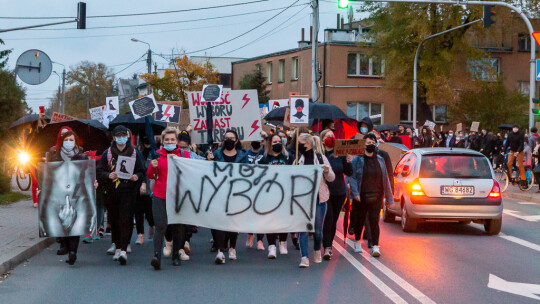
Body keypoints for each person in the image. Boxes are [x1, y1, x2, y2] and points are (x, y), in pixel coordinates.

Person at [42, 130, 97, 265]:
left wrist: (93, 183)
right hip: (59, 193)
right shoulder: (55, 157)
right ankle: (65, 245)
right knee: (62, 222)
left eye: (71, 140)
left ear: (75, 142)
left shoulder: (82, 158)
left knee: (75, 224)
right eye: (66, 140)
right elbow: (48, 175)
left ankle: (73, 252)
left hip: (76, 193)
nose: (68, 143)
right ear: (62, 142)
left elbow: (87, 175)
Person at [97, 125, 145, 266]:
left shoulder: (135, 153)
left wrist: (137, 177)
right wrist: (108, 175)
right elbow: (100, 171)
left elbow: (142, 171)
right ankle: (117, 246)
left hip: (129, 191)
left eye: (124, 135)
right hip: (112, 192)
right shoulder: (108, 153)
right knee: (115, 220)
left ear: (128, 137)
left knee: (126, 219)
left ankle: (124, 249)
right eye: (118, 135)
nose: (121, 138)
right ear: (114, 137)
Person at [147, 127, 191, 270]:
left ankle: (176, 255)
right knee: (160, 225)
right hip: (160, 194)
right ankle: (157, 256)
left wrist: (178, 162)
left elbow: (190, 173)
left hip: (178, 195)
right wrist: (153, 167)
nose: (170, 141)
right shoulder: (157, 155)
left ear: (176, 141)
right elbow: (150, 175)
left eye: (172, 139)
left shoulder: (183, 155)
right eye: (167, 140)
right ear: (163, 141)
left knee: (178, 226)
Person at [348, 133, 394, 257]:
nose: (371, 145)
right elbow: (351, 177)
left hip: (377, 195)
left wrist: (389, 197)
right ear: (363, 145)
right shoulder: (358, 159)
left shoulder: (380, 159)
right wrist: (355, 193)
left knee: (374, 221)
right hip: (361, 196)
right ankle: (357, 241)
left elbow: (385, 178)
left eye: (373, 143)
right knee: (360, 220)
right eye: (368, 143)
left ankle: (375, 246)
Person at [207, 129, 248, 264]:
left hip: (236, 193)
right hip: (219, 192)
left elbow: (248, 172)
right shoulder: (217, 154)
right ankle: (220, 251)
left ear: (236, 141)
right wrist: (209, 161)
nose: (229, 140)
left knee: (233, 222)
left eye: (232, 138)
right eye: (226, 138)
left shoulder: (243, 155)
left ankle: (232, 248)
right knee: (219, 221)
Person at [295, 133, 335, 268]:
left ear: (308, 144)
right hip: (302, 201)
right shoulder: (297, 159)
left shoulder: (320, 158)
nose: (298, 145)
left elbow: (332, 178)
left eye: (300, 142)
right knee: (303, 229)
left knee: (318, 231)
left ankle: (317, 250)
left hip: (319, 199)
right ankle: (304, 257)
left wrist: (326, 170)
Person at [319, 129, 353, 261]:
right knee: (328, 218)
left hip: (339, 192)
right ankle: (326, 247)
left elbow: (349, 172)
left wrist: (349, 162)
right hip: (324, 192)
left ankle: (329, 245)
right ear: (322, 140)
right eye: (328, 136)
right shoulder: (320, 154)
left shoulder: (340, 154)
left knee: (333, 221)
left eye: (332, 136)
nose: (330, 138)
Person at [258, 134, 293, 258]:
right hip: (270, 194)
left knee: (284, 220)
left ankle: (282, 243)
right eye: (274, 142)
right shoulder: (265, 159)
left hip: (285, 194)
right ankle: (271, 247)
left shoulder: (288, 157)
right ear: (269, 144)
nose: (277, 143)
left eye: (279, 141)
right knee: (271, 220)